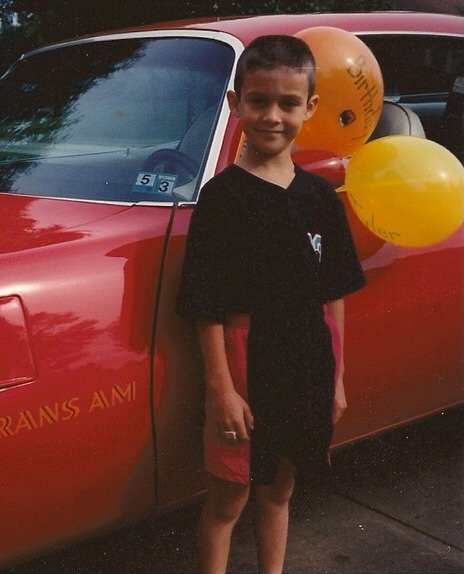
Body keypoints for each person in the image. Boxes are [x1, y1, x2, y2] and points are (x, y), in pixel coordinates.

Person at [176, 35, 366, 573]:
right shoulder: (221, 200)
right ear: (236, 104)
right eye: (258, 101)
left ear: (310, 108)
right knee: (229, 499)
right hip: (244, 365)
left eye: (288, 103)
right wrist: (220, 392)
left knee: (279, 492)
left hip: (308, 363)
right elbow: (204, 305)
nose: (272, 116)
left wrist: (338, 376)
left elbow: (334, 294)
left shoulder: (320, 197)